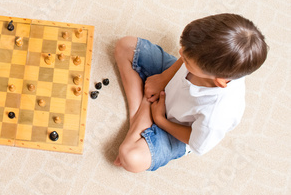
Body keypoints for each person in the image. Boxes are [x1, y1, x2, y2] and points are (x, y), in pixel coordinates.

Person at [113, 13, 268, 172]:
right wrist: (164, 78)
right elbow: (186, 53)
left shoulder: (216, 116)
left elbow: (195, 143)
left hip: (176, 128)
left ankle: (144, 112)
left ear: (218, 80)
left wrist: (160, 120)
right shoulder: (204, 55)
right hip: (171, 81)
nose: (180, 52)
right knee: (126, 45)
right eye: (184, 49)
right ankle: (138, 118)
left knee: (130, 158)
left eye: (187, 58)